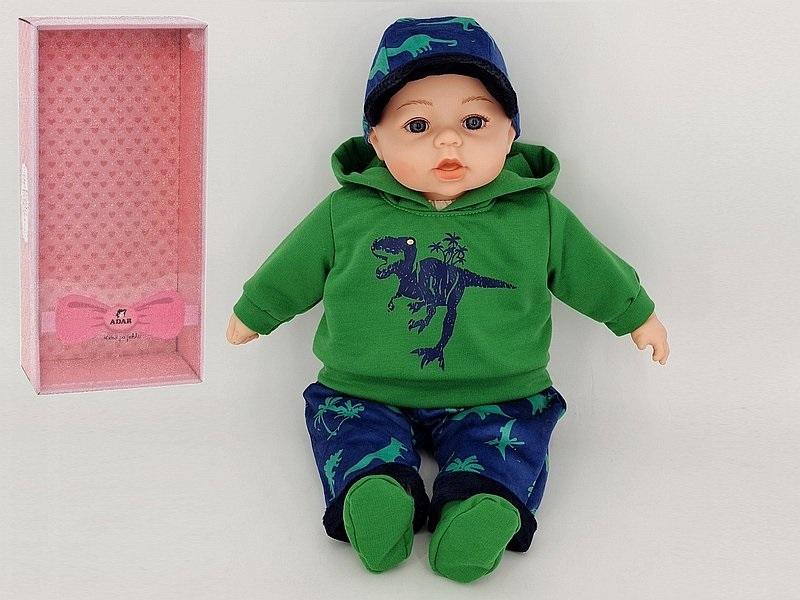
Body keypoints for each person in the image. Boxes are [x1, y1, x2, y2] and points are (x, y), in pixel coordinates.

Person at [227, 15, 669, 583]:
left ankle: (483, 502)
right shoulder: (348, 211)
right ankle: (376, 490)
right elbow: (295, 265)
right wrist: (257, 310)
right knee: (348, 429)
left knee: (507, 443)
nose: (448, 140)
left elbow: (591, 270)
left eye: (474, 121)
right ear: (376, 141)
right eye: (417, 125)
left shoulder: (535, 214)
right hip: (363, 388)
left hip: (500, 391)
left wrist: (635, 313)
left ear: (510, 134)